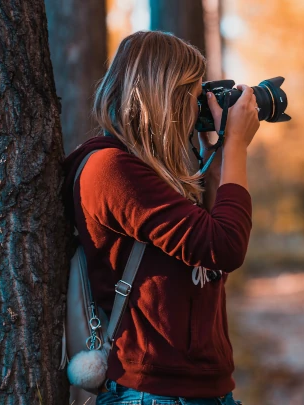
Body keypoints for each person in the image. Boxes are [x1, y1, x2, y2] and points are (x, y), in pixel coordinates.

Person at [61, 31, 259, 405]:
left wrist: (213, 151)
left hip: (203, 391)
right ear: (165, 95)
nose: (198, 106)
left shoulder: (158, 172)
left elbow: (211, 255)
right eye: (193, 94)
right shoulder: (111, 169)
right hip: (151, 393)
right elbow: (225, 247)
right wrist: (235, 147)